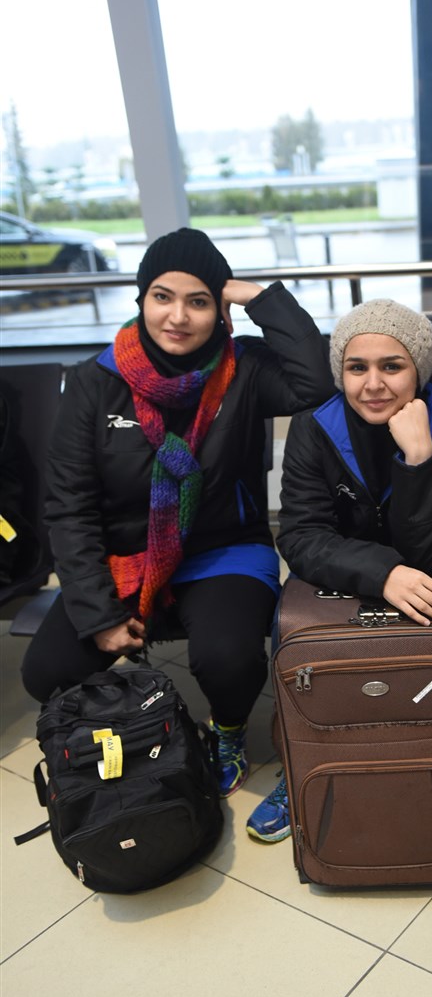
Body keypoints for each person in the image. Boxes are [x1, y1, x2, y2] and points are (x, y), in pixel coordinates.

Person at [22, 227, 334, 799]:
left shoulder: (244, 369)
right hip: (124, 555)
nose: (178, 317)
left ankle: (228, 732)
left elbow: (315, 381)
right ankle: (121, 733)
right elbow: (68, 506)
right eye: (163, 296)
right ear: (141, 298)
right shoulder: (95, 382)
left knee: (230, 659)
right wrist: (98, 614)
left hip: (223, 548)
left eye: (199, 301)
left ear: (220, 309)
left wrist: (260, 298)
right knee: (45, 671)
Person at [246, 298, 432, 841]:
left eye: (392, 366)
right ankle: (301, 763)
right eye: (357, 367)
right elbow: (302, 536)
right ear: (341, 373)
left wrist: (420, 459)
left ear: (418, 370)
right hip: (344, 573)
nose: (373, 384)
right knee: (299, 635)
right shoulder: (314, 428)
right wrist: (383, 573)